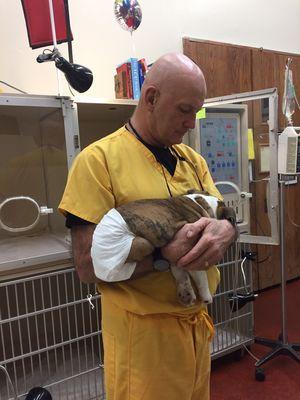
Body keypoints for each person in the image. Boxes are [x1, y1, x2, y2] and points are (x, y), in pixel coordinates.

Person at [59, 53, 237, 400]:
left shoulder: (193, 160)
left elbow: (223, 213)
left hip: (196, 326)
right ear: (151, 98)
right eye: (185, 110)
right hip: (142, 340)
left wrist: (228, 230)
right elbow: (86, 265)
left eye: (196, 112)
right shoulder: (98, 162)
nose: (191, 123)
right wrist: (161, 257)